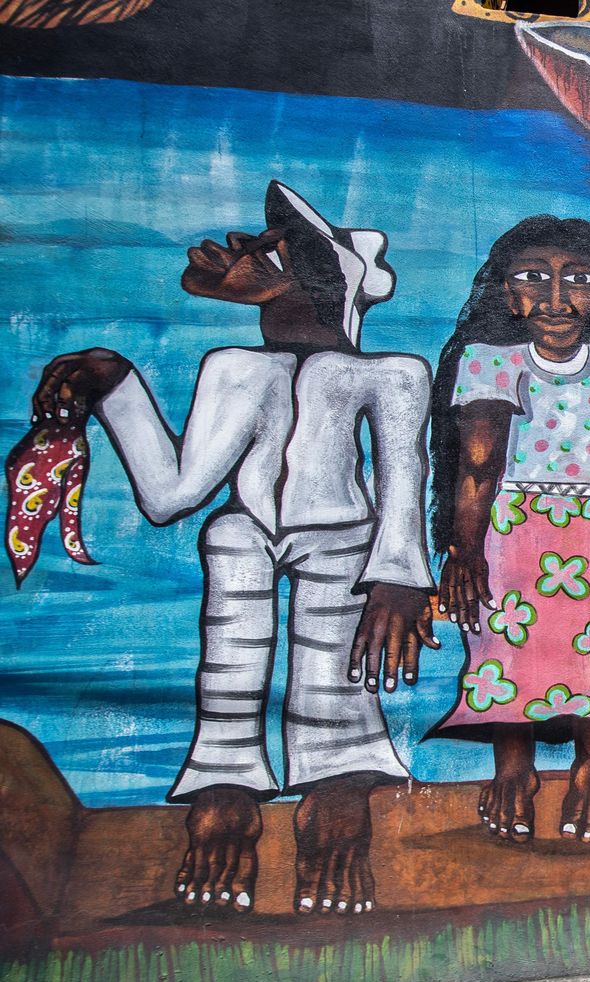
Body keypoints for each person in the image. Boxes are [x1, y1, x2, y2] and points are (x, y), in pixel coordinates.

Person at [30, 181, 436, 915]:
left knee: (335, 670)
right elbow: (171, 494)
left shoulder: (391, 375)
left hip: (343, 540)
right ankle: (225, 790)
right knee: (231, 661)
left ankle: (336, 791)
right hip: (245, 531)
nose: (244, 250)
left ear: (314, 273)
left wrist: (400, 576)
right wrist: (116, 385)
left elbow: (403, 478)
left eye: (271, 244)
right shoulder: (233, 369)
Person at [425, 216, 590, 844]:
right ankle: (514, 768)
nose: (555, 298)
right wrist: (464, 550)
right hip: (512, 527)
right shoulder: (486, 361)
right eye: (533, 279)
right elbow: (476, 465)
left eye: (577, 280)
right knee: (504, 644)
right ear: (505, 293)